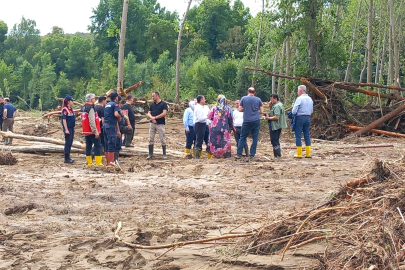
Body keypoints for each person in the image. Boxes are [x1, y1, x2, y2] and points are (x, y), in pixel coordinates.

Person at [235, 87, 264, 159]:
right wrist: (255, 112)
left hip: (247, 120)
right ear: (255, 92)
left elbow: (240, 109)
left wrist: (246, 110)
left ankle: (239, 154)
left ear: (248, 91)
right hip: (256, 120)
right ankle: (252, 154)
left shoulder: (243, 98)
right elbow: (261, 111)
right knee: (255, 138)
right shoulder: (258, 99)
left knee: (242, 137)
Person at [292, 85, 314, 158]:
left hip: (300, 118)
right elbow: (311, 110)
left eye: (298, 91)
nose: (298, 92)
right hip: (307, 118)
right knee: (307, 135)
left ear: (301, 91)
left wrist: (293, 113)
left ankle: (299, 154)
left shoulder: (299, 99)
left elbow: (294, 111)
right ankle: (308, 154)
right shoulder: (310, 99)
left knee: (298, 135)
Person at [81, 93, 103, 166]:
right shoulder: (90, 108)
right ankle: (98, 162)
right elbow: (92, 121)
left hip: (86, 130)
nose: (95, 99)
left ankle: (90, 163)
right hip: (91, 131)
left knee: (88, 146)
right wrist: (95, 131)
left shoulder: (84, 107)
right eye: (94, 98)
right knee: (98, 145)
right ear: (91, 99)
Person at [147, 92, 168, 159]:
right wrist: (151, 118)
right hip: (152, 123)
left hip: (160, 124)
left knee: (162, 139)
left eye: (153, 96)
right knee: (151, 138)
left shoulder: (163, 104)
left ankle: (164, 154)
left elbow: (164, 113)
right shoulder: (152, 105)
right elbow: (149, 113)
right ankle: (150, 154)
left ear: (157, 96)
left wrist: (155, 117)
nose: (152, 97)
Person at [103, 92, 122, 166]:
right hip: (111, 126)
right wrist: (120, 117)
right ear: (116, 97)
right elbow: (116, 114)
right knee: (112, 144)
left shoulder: (107, 104)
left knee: (107, 144)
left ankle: (108, 162)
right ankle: (111, 163)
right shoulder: (115, 104)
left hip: (105, 125)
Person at [115, 95, 132, 164]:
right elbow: (116, 119)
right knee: (116, 144)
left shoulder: (120, 110)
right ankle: (114, 159)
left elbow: (125, 117)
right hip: (117, 128)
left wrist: (128, 124)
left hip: (120, 127)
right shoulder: (116, 110)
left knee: (118, 144)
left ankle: (116, 159)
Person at [61, 95, 75, 163]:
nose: (73, 102)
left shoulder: (70, 109)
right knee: (68, 142)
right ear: (69, 101)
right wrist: (66, 129)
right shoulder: (65, 109)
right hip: (68, 128)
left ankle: (68, 157)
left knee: (70, 142)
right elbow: (64, 120)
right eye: (72, 101)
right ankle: (66, 158)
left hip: (72, 127)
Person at [193, 95, 208, 159]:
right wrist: (207, 116)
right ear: (201, 100)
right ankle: (197, 156)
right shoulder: (198, 108)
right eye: (204, 99)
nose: (205, 100)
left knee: (203, 139)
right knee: (199, 140)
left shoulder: (204, 107)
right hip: (199, 124)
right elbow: (200, 119)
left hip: (203, 124)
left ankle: (199, 155)